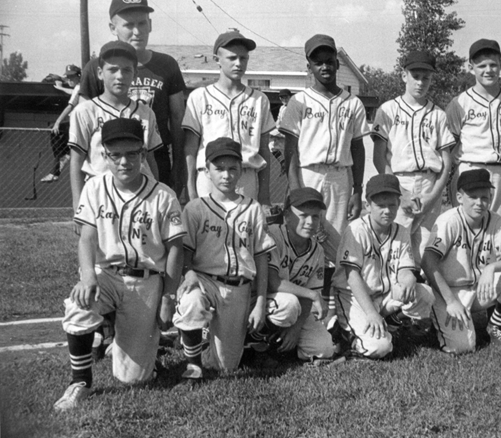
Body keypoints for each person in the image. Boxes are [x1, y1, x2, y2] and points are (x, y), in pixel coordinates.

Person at [53, 118, 186, 411]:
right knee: (78, 305)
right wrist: (87, 276)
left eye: (132, 153)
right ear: (105, 155)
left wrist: (168, 296)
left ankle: (137, 347)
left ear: (142, 153)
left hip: (146, 281)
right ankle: (81, 382)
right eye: (116, 155)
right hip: (106, 275)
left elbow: (176, 248)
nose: (124, 161)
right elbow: (86, 239)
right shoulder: (94, 187)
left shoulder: (163, 195)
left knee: (133, 380)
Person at [277, 34, 368, 326]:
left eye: (330, 61)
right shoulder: (299, 101)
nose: (325, 66)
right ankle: (304, 307)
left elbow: (357, 147)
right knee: (306, 238)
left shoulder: (352, 102)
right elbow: (289, 151)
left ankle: (328, 314)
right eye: (318, 62)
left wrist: (358, 189)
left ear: (337, 63)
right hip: (309, 173)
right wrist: (295, 190)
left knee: (335, 244)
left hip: (340, 175)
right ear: (309, 66)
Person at [172, 137, 276, 384]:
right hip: (206, 281)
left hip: (238, 287)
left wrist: (260, 302)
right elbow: (185, 251)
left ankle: (204, 339)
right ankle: (193, 364)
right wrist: (188, 273)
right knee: (191, 301)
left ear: (241, 171)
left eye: (232, 168)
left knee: (226, 366)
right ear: (206, 171)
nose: (226, 175)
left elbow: (261, 257)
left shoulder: (252, 208)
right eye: (219, 168)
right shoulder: (196, 208)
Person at [79, 0, 187, 196]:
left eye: (142, 23)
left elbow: (178, 120)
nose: (137, 32)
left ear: (150, 25)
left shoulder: (167, 65)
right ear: (113, 28)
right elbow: (82, 125)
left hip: (154, 159)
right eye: (128, 25)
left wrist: (179, 167)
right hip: (107, 164)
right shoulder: (96, 67)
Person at [421, 169, 501, 354]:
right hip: (449, 292)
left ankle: (494, 328)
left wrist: (492, 268)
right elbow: (428, 261)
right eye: (473, 197)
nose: (479, 203)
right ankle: (434, 320)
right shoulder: (449, 221)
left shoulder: (494, 220)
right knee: (462, 347)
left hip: (479, 289)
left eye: (484, 197)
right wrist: (451, 301)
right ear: (459, 197)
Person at [332, 174, 435, 359]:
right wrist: (371, 312)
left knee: (424, 293)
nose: (387, 210)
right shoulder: (356, 230)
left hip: (384, 295)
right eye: (380, 205)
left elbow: (405, 268)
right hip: (354, 298)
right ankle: (346, 335)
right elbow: (352, 276)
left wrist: (409, 278)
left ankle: (392, 325)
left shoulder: (401, 231)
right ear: (368, 205)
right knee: (380, 348)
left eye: (392, 205)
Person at [371, 50, 456, 267]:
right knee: (397, 244)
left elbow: (447, 163)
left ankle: (424, 297)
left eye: (426, 77)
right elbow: (379, 157)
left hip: (430, 183)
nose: (420, 82)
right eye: (415, 76)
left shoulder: (438, 114)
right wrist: (402, 193)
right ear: (404, 75)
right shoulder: (387, 109)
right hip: (399, 181)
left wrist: (433, 196)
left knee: (427, 247)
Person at [445, 39, 501, 230]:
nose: (488, 70)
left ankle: (496, 262)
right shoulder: (459, 102)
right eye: (482, 65)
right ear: (470, 67)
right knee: (466, 229)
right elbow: (450, 145)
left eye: (493, 64)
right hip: (469, 168)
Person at [181, 31, 274, 205]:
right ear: (217, 59)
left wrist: (265, 195)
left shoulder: (259, 99)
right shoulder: (200, 96)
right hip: (210, 176)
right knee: (208, 231)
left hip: (246, 176)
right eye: (232, 58)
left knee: (245, 231)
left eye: (243, 58)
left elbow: (264, 150)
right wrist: (190, 191)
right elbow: (190, 148)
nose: (238, 63)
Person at [250, 187, 341, 363]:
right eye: (303, 215)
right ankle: (257, 346)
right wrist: (313, 295)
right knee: (289, 305)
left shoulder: (317, 250)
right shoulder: (274, 236)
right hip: (258, 303)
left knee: (324, 349)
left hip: (293, 310)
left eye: (315, 216)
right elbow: (273, 283)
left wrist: (297, 329)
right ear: (287, 216)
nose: (310, 222)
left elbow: (309, 294)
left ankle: (283, 347)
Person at [68, 41, 162, 212]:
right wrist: (78, 204)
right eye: (112, 70)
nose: (120, 76)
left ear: (134, 74)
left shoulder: (146, 112)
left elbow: (151, 159)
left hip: (140, 196)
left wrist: (156, 194)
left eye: (126, 70)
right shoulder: (85, 111)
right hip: (99, 195)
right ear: (99, 73)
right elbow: (76, 161)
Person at [42, 64, 81, 183]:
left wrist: (57, 122)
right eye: (68, 77)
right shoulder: (80, 87)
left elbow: (70, 106)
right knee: (64, 145)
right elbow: (73, 92)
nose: (69, 80)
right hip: (77, 122)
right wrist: (61, 88)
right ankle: (61, 161)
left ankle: (60, 163)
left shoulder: (79, 87)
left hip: (76, 122)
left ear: (79, 76)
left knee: (54, 131)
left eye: (72, 77)